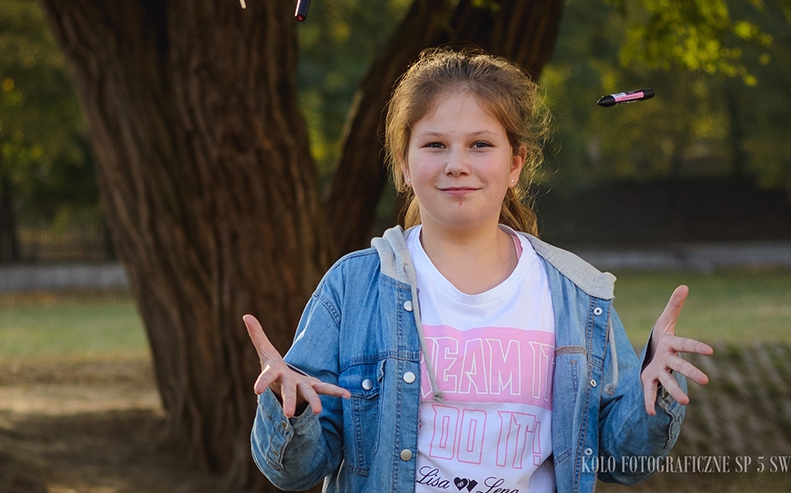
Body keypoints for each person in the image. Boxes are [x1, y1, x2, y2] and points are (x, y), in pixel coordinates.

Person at [244, 47, 712, 493]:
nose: (457, 164)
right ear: (405, 165)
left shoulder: (576, 294)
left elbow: (619, 460)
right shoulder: (353, 287)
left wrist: (653, 390)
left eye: (480, 144)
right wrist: (290, 410)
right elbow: (296, 471)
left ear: (514, 165)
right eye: (435, 145)